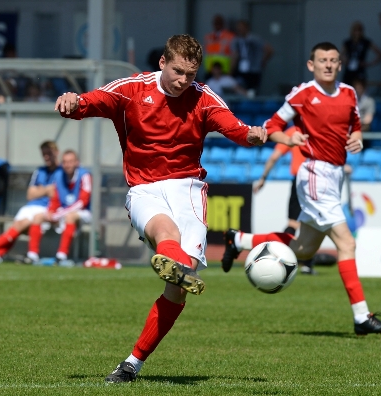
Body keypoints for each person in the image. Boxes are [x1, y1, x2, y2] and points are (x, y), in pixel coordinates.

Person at [54, 34, 267, 383]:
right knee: (165, 233)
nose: (184, 80)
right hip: (144, 188)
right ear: (162, 64)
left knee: (176, 290)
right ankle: (174, 263)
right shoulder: (132, 89)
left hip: (188, 190)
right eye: (178, 72)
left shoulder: (203, 97)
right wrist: (72, 100)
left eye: (191, 74)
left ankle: (132, 363)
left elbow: (235, 128)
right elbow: (90, 102)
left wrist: (252, 136)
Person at [222, 42, 381, 336]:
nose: (328, 65)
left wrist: (357, 139)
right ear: (311, 65)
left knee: (303, 248)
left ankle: (237, 239)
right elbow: (272, 126)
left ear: (339, 65)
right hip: (315, 173)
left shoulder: (349, 94)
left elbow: (355, 125)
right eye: (322, 60)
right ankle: (361, 317)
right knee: (347, 243)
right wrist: (288, 140)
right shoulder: (302, 94)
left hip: (334, 175)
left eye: (332, 60)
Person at [0, 141, 60, 263]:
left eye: (49, 154)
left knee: (22, 224)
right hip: (31, 206)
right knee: (18, 225)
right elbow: (30, 195)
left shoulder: (61, 172)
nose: (46, 157)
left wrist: (40, 190)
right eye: (44, 154)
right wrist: (46, 189)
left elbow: (56, 193)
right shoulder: (39, 171)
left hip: (46, 208)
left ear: (57, 152)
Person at [253, 125, 315, 274]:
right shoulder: (317, 127)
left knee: (293, 223)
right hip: (315, 179)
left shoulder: (292, 131)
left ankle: (278, 256)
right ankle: (307, 265)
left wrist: (263, 178)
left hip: (298, 180)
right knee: (313, 223)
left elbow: (274, 156)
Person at [25, 150, 91, 264]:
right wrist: (51, 211)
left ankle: (61, 255)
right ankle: (32, 255)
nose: (67, 165)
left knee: (70, 216)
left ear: (77, 163)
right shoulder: (59, 175)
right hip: (62, 211)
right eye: (65, 162)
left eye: (70, 162)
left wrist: (59, 214)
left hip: (83, 212)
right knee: (38, 217)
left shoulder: (85, 175)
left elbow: (82, 202)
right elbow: (55, 197)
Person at [230, 20, 273, 94]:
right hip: (241, 69)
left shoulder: (255, 39)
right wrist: (231, 70)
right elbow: (235, 55)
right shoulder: (236, 40)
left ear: (246, 28)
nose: (239, 30)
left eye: (241, 28)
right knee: (239, 88)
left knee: (253, 91)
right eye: (238, 28)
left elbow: (269, 50)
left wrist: (263, 61)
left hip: (254, 69)